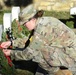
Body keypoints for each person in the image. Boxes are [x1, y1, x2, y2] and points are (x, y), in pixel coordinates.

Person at [1, 4, 75, 75]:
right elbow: (31, 41)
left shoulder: (42, 29)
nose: (23, 25)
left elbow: (28, 54)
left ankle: (58, 74)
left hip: (72, 56)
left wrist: (11, 53)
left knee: (38, 55)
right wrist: (12, 43)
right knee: (39, 50)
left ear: (32, 19)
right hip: (67, 50)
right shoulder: (42, 22)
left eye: (24, 23)